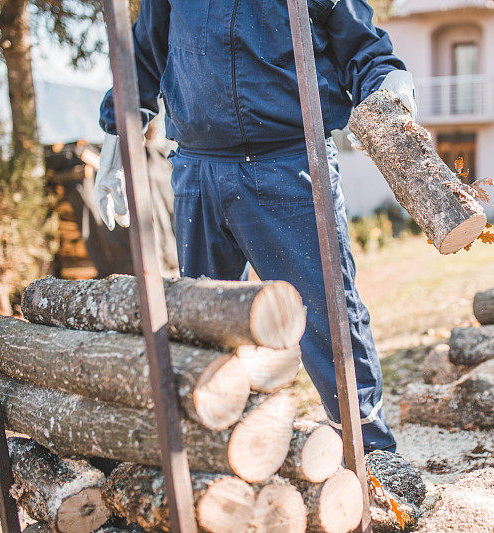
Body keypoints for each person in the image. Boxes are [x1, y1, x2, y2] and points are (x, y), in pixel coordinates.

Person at [95, 0, 416, 452]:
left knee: (327, 314)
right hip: (198, 169)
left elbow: (363, 47)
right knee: (206, 326)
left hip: (290, 165)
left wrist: (388, 84)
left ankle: (372, 452)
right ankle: (223, 454)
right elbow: (145, 55)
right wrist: (117, 136)